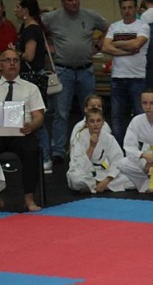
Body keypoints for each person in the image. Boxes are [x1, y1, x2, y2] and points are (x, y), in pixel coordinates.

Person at [0, 48, 46, 213]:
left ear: (20, 65)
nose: (12, 64)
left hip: (22, 133)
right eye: (7, 60)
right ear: (0, 65)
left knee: (32, 150)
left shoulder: (31, 88)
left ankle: (29, 198)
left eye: (16, 60)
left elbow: (39, 116)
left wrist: (32, 125)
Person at [42, 0, 109, 164]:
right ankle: (58, 151)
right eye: (69, 0)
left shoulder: (91, 15)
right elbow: (35, 29)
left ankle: (93, 146)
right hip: (63, 71)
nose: (73, 2)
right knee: (61, 113)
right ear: (62, 2)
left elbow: (109, 28)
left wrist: (99, 45)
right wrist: (48, 47)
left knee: (91, 111)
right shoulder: (51, 17)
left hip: (86, 70)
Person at [102, 0, 151, 147]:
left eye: (130, 7)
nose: (127, 11)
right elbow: (105, 47)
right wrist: (126, 51)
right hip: (117, 77)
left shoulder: (143, 26)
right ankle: (118, 150)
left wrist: (115, 44)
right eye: (124, 8)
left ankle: (140, 149)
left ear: (136, 8)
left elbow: (137, 44)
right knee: (117, 117)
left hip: (137, 78)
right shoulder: (114, 26)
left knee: (140, 116)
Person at [13, 0, 53, 173]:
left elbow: (29, 56)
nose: (15, 10)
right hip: (34, 77)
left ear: (25, 10)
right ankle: (37, 158)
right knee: (33, 118)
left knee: (37, 119)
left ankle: (45, 159)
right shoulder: (31, 27)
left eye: (18, 7)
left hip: (32, 79)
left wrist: (15, 52)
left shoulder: (31, 30)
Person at [66, 107, 133, 193]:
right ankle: (97, 185)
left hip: (102, 173)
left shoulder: (108, 138)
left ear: (103, 122)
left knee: (131, 178)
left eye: (98, 121)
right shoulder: (80, 137)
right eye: (92, 121)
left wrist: (106, 181)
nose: (95, 124)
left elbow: (117, 160)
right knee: (75, 179)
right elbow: (79, 166)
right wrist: (91, 147)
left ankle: (93, 186)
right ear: (86, 123)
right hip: (84, 173)